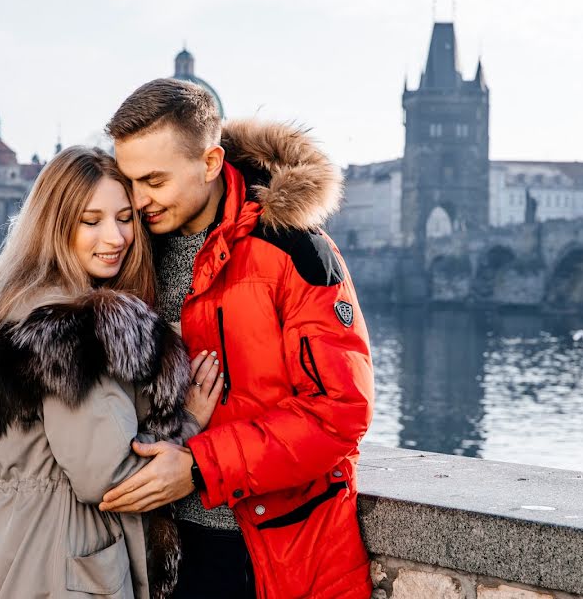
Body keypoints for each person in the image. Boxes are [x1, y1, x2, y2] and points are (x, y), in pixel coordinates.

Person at [100, 79, 376, 599]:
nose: (138, 201)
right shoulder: (126, 251)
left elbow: (341, 411)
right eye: (130, 181)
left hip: (273, 550)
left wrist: (202, 468)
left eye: (154, 181)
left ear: (209, 163)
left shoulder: (295, 249)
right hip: (155, 550)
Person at [0, 146, 223, 599]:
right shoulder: (71, 328)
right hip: (58, 566)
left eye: (126, 218)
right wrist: (189, 425)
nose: (116, 237)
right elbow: (112, 478)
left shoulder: (8, 308)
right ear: (55, 225)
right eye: (92, 221)